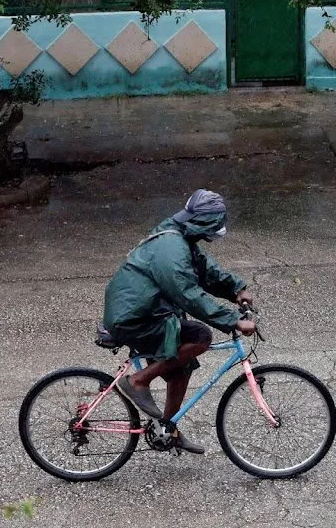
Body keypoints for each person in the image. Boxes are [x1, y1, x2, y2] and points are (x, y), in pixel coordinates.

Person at [102, 189, 257, 454]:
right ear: (204, 224)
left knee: (182, 368)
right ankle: (137, 380)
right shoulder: (171, 248)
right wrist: (232, 320)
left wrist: (235, 289)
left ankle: (167, 429)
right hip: (135, 318)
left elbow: (203, 268)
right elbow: (187, 293)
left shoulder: (180, 236)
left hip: (149, 312)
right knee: (200, 337)